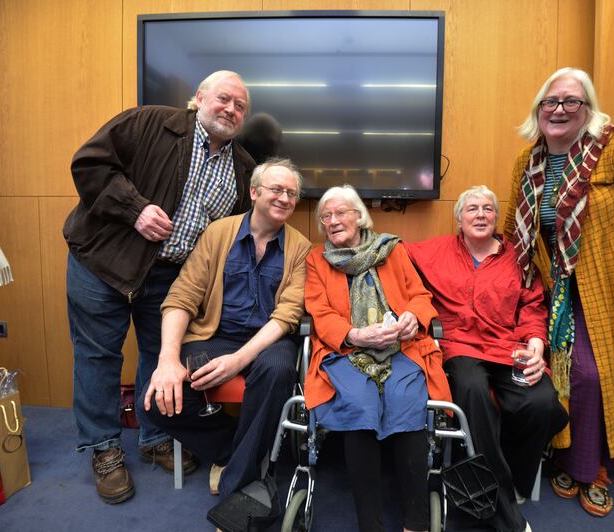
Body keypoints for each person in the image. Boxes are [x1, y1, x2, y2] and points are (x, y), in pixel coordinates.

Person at [64, 70, 255, 504]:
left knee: (160, 356)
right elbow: (88, 163)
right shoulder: (149, 122)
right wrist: (134, 209)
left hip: (170, 279)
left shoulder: (243, 168)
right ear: (198, 98)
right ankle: (104, 448)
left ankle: (155, 436)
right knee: (97, 355)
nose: (230, 109)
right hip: (103, 264)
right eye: (223, 98)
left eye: (240, 105)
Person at [503, 67, 614, 517]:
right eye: (550, 102)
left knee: (597, 376)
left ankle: (592, 467)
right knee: (564, 375)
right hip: (559, 290)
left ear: (588, 109)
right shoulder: (527, 162)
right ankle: (570, 457)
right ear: (538, 111)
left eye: (571, 101)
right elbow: (512, 228)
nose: (559, 110)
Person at [142, 158, 311, 523]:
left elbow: (286, 316)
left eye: (292, 193)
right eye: (276, 189)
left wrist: (238, 361)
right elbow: (181, 297)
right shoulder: (218, 234)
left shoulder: (301, 249)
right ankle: (237, 451)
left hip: (268, 339)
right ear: (254, 192)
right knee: (156, 403)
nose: (284, 198)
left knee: (280, 369)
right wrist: (168, 360)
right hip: (214, 335)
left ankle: (240, 490)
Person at [406, 185, 567, 532]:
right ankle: (504, 511)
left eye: (488, 209)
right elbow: (390, 251)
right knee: (472, 389)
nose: (480, 214)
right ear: (459, 220)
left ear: (496, 218)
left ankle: (503, 480)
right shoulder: (435, 250)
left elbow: (533, 307)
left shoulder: (519, 257)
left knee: (543, 403)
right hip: (459, 347)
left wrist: (537, 343)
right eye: (472, 209)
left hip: (509, 348)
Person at [304, 185, 451, 532]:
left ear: (359, 216)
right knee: (360, 403)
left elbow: (419, 295)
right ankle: (370, 524)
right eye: (326, 216)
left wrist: (413, 316)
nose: (333, 221)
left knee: (407, 401)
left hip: (401, 347)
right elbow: (319, 312)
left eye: (341, 213)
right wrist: (354, 334)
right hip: (345, 351)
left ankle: (416, 522)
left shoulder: (392, 250)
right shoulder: (316, 259)